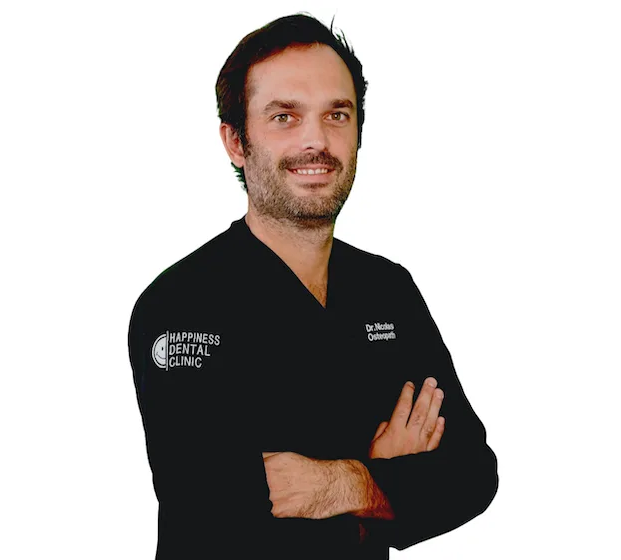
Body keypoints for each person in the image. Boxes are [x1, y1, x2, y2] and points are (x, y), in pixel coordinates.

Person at [128, 12, 498, 560]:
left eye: (337, 115)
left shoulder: (388, 289)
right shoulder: (180, 305)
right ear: (236, 141)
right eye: (284, 116)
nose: (316, 140)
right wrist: (390, 482)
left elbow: (472, 475)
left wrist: (346, 483)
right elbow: (214, 519)